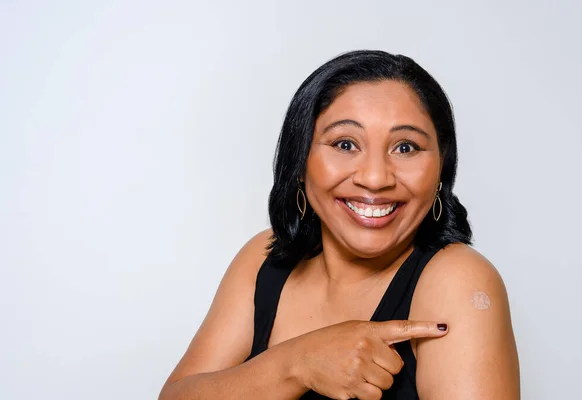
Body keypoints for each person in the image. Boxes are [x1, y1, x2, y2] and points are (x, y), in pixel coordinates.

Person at [158, 50, 520, 400]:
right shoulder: (263, 258)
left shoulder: (458, 279)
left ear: (441, 169)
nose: (376, 178)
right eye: (346, 144)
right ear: (299, 162)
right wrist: (297, 363)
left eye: (406, 147)